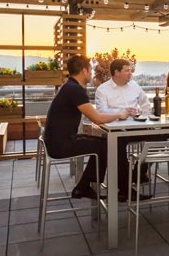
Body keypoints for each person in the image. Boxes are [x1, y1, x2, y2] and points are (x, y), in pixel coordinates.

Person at [42, 55, 128, 201]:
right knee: (106, 146)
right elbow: (97, 119)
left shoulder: (69, 86)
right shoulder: (75, 90)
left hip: (56, 141)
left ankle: (85, 186)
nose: (92, 73)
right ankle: (87, 187)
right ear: (84, 71)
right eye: (90, 70)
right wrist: (119, 114)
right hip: (60, 145)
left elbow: (95, 115)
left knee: (105, 145)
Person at [94, 59, 153, 198]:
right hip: (115, 132)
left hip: (136, 127)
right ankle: (125, 190)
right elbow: (101, 111)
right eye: (127, 70)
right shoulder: (102, 90)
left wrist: (143, 117)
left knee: (159, 136)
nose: (131, 73)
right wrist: (122, 112)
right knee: (117, 144)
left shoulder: (135, 86)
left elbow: (146, 106)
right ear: (116, 72)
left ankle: (138, 172)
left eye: (131, 70)